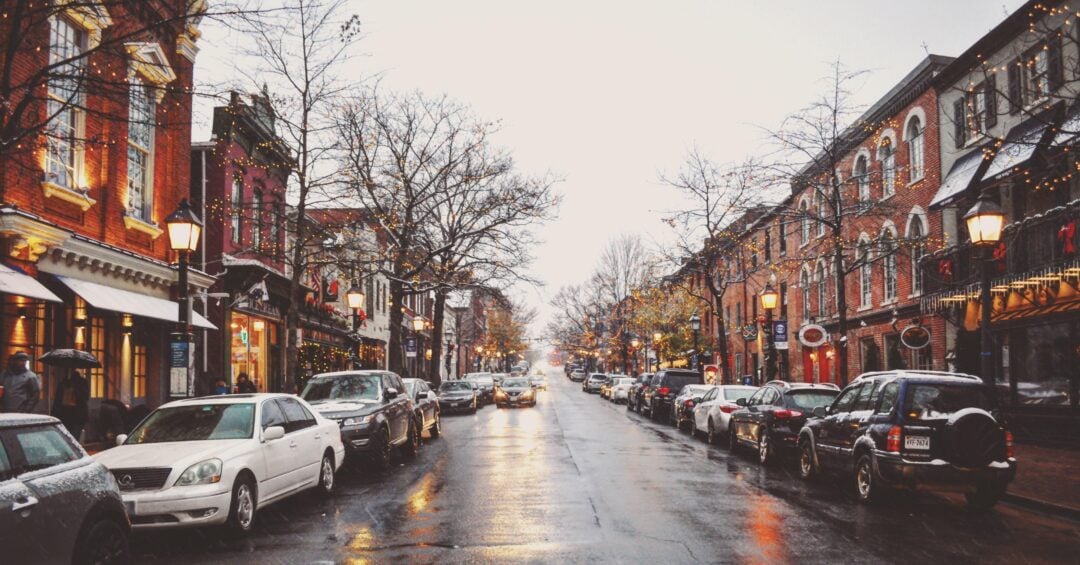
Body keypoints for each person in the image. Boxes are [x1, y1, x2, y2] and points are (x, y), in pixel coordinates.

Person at [52, 370, 89, 440]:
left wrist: (75, 388)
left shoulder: (82, 383)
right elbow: (58, 399)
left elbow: (85, 397)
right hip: (66, 413)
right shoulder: (63, 383)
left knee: (74, 436)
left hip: (78, 414)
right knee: (67, 435)